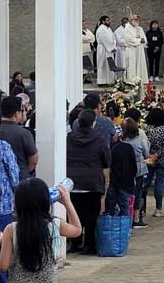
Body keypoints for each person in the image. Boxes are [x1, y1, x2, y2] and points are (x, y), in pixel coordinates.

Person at [0, 178, 81, 283]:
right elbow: (77, 230)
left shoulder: (11, 229)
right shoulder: (55, 224)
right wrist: (67, 203)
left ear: (18, 203)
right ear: (46, 201)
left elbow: (3, 266)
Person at [66, 109, 109, 255]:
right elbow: (106, 160)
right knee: (91, 216)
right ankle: (89, 244)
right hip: (92, 183)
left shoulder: (69, 138)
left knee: (74, 213)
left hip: (73, 182)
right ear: (93, 122)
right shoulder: (100, 139)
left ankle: (75, 243)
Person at [0, 97, 38, 181]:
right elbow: (34, 159)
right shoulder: (24, 133)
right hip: (21, 177)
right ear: (16, 114)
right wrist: (26, 171)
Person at [121, 114, 150, 228]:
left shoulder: (122, 137)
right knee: (137, 192)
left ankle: (126, 215)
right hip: (139, 166)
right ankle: (136, 217)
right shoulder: (141, 134)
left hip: (123, 167)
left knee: (125, 192)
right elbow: (146, 150)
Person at [144, 108, 164, 218]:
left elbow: (145, 143)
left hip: (149, 158)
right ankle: (158, 209)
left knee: (145, 183)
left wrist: (151, 156)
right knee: (159, 183)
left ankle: (141, 208)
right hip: (162, 159)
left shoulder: (148, 129)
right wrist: (158, 155)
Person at [104, 122, 138, 217]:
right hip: (126, 183)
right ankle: (125, 228)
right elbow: (133, 167)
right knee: (124, 206)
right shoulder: (128, 148)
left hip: (113, 182)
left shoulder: (110, 149)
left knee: (110, 206)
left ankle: (110, 226)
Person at [124, 15, 149, 85]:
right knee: (132, 65)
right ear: (131, 20)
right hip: (131, 50)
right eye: (135, 20)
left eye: (138, 20)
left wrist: (140, 40)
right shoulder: (127, 28)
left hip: (139, 50)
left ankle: (141, 80)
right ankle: (131, 81)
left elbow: (144, 39)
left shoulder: (140, 28)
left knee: (140, 64)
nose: (137, 21)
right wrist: (139, 40)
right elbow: (129, 39)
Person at [95, 16, 117, 86]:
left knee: (109, 65)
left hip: (109, 49)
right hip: (103, 49)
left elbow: (114, 38)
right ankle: (102, 82)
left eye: (109, 20)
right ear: (103, 21)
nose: (109, 22)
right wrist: (111, 47)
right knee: (102, 64)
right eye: (107, 20)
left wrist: (113, 46)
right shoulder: (101, 29)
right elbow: (105, 39)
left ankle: (109, 81)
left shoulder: (109, 29)